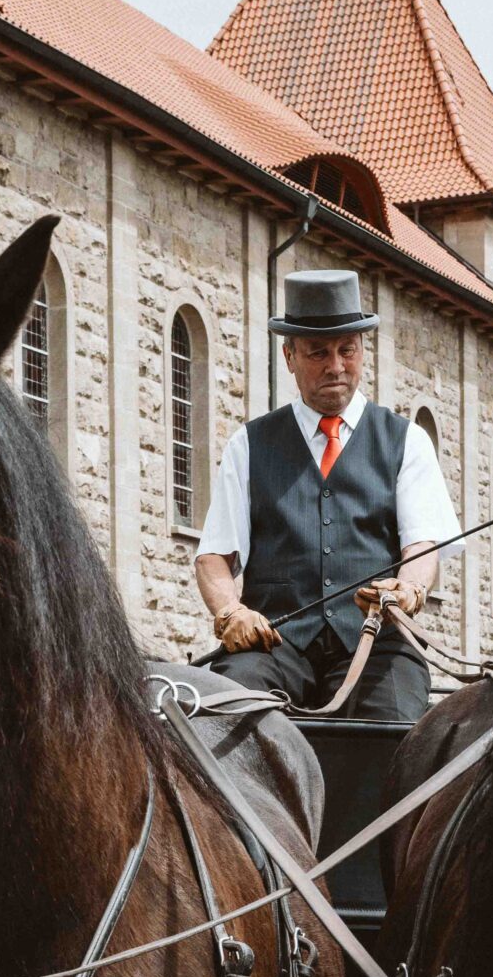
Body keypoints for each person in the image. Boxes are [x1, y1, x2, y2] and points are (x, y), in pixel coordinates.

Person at [194, 269, 460, 720]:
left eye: (347, 350)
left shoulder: (406, 441)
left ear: (362, 350)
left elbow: (423, 544)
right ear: (289, 356)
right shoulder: (249, 444)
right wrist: (229, 613)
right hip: (275, 646)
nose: (336, 366)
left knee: (393, 724)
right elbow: (212, 558)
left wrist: (410, 589)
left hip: (376, 644)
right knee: (226, 711)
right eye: (318, 352)